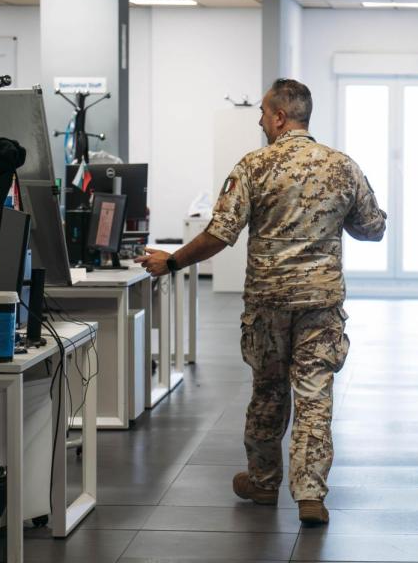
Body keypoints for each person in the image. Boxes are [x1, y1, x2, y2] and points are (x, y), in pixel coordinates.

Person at [135, 79, 386, 525]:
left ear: (279, 117)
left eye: (263, 116)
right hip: (319, 304)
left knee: (268, 392)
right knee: (314, 396)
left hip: (268, 304)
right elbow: (372, 228)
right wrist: (331, 217)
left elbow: (219, 235)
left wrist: (172, 261)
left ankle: (264, 482)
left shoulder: (254, 165)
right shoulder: (342, 166)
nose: (260, 124)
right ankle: (310, 495)